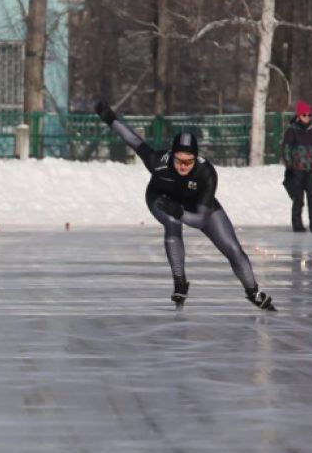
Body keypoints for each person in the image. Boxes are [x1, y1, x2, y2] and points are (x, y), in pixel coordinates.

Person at [94, 100, 274, 310]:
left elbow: (199, 220)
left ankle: (253, 292)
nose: (182, 166)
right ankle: (180, 281)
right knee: (172, 223)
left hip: (197, 205)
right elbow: (133, 140)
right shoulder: (158, 161)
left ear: (196, 159)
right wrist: (109, 118)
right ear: (172, 155)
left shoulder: (206, 173)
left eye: (188, 162)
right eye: (179, 160)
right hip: (161, 197)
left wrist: (180, 212)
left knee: (233, 249)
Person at [279, 101, 312, 232]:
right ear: (299, 116)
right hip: (297, 169)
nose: (307, 117)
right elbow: (286, 149)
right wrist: (289, 167)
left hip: (311, 169)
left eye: (309, 115)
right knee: (298, 199)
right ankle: (297, 224)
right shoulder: (292, 131)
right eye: (304, 115)